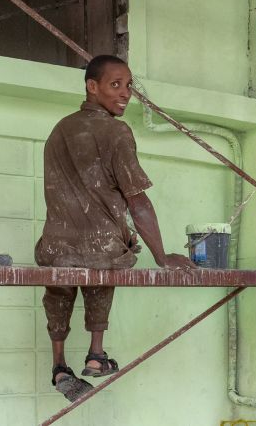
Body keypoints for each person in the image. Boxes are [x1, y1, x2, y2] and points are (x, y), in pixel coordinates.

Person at [35, 55, 196, 401]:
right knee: (106, 271)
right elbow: (137, 202)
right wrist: (161, 257)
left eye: (128, 85)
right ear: (92, 87)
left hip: (57, 244)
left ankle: (60, 365)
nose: (125, 93)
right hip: (102, 248)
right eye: (115, 85)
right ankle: (95, 355)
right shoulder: (116, 131)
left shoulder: (60, 129)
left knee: (58, 293)